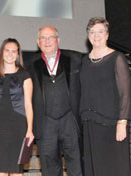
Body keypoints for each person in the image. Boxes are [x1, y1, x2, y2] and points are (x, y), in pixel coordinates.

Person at [27, 26, 83, 176]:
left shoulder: (75, 59)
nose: (47, 41)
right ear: (38, 42)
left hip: (70, 120)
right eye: (43, 38)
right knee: (50, 168)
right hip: (45, 123)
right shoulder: (30, 64)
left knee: (77, 165)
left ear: (58, 40)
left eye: (50, 37)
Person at [80, 17, 131, 176]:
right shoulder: (84, 61)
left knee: (114, 168)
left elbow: (126, 93)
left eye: (100, 31)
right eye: (92, 32)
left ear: (107, 35)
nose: (96, 35)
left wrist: (122, 122)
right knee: (95, 169)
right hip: (90, 124)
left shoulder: (117, 58)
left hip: (112, 124)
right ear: (88, 36)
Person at [0, 38, 35, 176]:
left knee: (16, 171)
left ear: (17, 54)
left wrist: (30, 130)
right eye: (7, 50)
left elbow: (28, 104)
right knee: (0, 170)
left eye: (13, 51)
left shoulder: (24, 76)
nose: (10, 54)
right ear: (2, 53)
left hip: (18, 127)